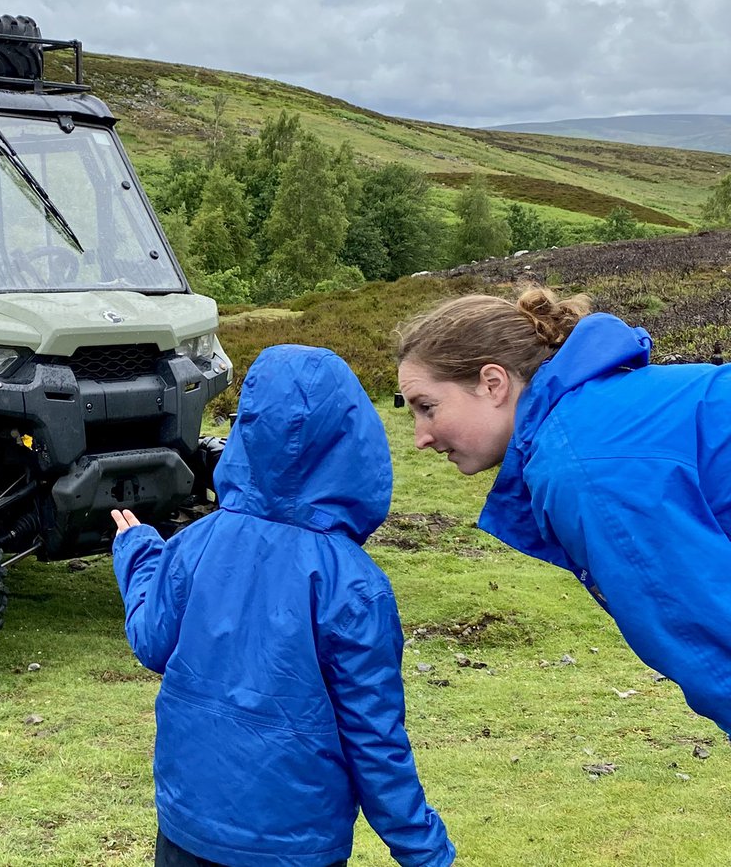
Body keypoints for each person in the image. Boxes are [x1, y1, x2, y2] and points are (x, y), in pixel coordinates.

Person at [110, 344, 455, 867]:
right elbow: (375, 739)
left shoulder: (195, 543)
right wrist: (424, 850)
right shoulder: (355, 585)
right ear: (352, 436)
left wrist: (140, 556)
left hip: (188, 825)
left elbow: (151, 640)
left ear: (248, 427)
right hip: (292, 843)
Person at [396, 287, 731, 736]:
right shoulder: (599, 412)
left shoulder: (581, 464)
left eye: (427, 407)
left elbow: (707, 641)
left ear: (492, 384)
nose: (420, 437)